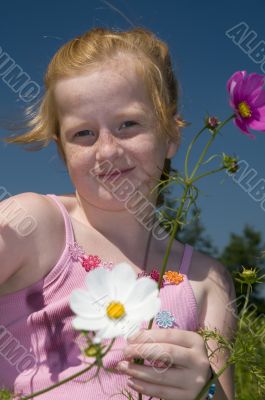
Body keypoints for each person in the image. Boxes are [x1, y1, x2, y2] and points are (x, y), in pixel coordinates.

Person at [0, 27, 236, 400]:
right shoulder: (35, 225)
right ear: (63, 149)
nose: (107, 150)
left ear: (171, 134)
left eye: (128, 124)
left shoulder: (207, 281)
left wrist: (204, 388)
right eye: (83, 134)